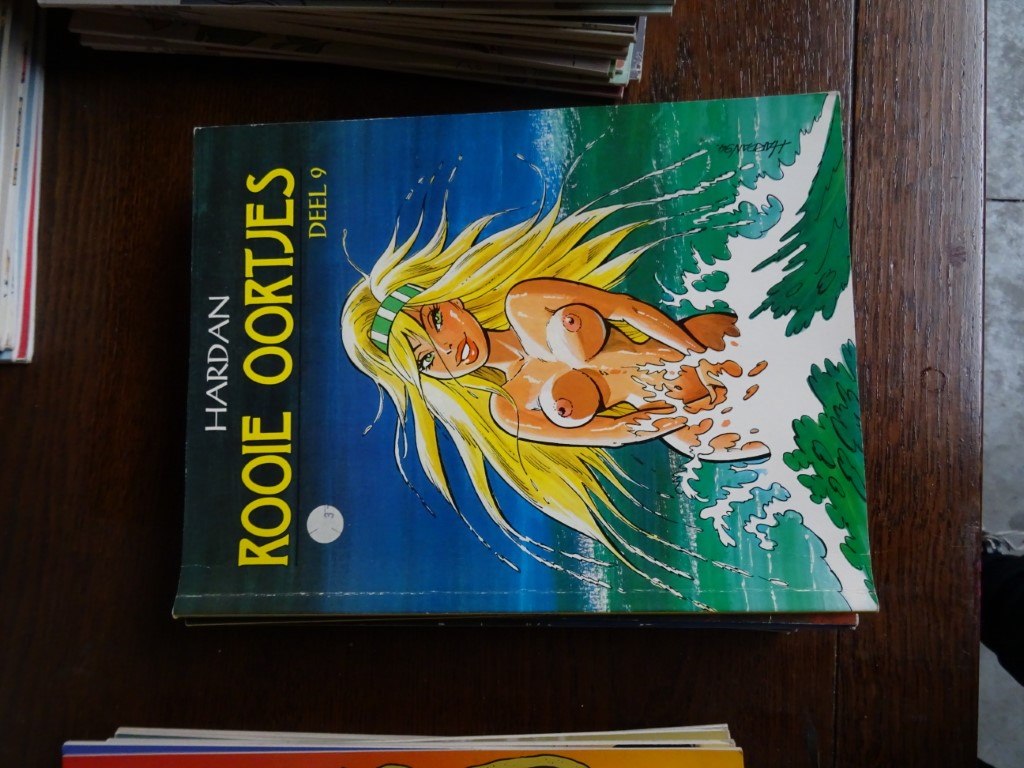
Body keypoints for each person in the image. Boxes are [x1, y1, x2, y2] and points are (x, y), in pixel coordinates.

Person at [341, 188, 766, 561]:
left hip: (704, 346)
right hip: (698, 427)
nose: (447, 349)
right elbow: (616, 431)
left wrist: (693, 354)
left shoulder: (526, 302)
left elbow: (627, 309)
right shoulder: (510, 410)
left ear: (449, 302)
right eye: (425, 361)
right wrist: (688, 415)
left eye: (434, 321)